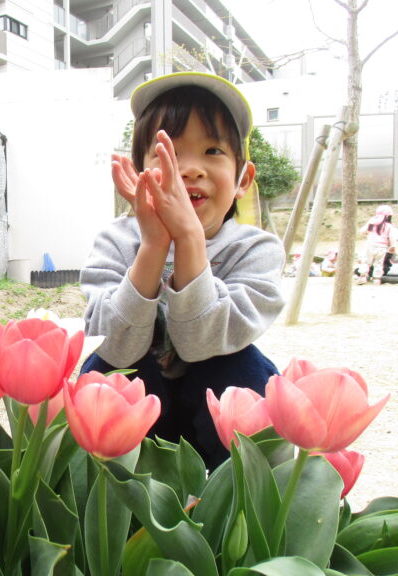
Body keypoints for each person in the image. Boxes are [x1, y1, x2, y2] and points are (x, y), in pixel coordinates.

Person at [79, 72, 286, 470]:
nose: (189, 169)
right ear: (139, 170)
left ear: (243, 179)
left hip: (216, 412)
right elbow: (116, 346)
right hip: (132, 425)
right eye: (166, 152)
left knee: (250, 368)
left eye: (212, 151)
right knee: (102, 372)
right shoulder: (115, 243)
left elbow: (201, 343)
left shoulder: (255, 250)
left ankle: (239, 499)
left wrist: (188, 238)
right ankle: (107, 504)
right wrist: (155, 245)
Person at [355, 204, 397, 285]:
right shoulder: (389, 226)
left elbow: (362, 231)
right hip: (382, 247)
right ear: (388, 216)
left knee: (366, 262)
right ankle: (377, 279)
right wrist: (393, 246)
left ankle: (363, 277)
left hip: (370, 245)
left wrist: (368, 233)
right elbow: (392, 237)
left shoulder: (372, 223)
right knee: (379, 263)